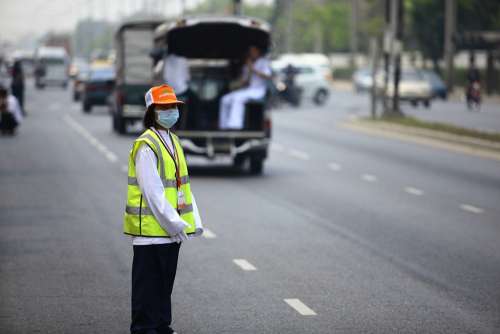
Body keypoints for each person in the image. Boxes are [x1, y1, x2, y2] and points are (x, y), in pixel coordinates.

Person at [124, 84, 204, 334]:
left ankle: (161, 328)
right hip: (151, 234)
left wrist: (193, 223)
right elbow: (153, 192)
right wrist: (175, 224)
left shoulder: (174, 141)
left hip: (170, 232)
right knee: (148, 291)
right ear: (152, 111)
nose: (171, 111)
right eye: (165, 107)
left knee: (162, 288)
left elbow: (183, 187)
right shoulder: (146, 145)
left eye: (173, 107)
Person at [219, 45, 272, 130]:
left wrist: (253, 69)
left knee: (238, 98)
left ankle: (234, 126)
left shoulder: (263, 62)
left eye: (253, 51)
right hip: (248, 90)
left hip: (258, 90)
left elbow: (268, 76)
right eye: (250, 52)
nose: (251, 53)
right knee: (225, 99)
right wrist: (236, 84)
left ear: (257, 52)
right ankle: (223, 125)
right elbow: (245, 81)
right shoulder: (247, 64)